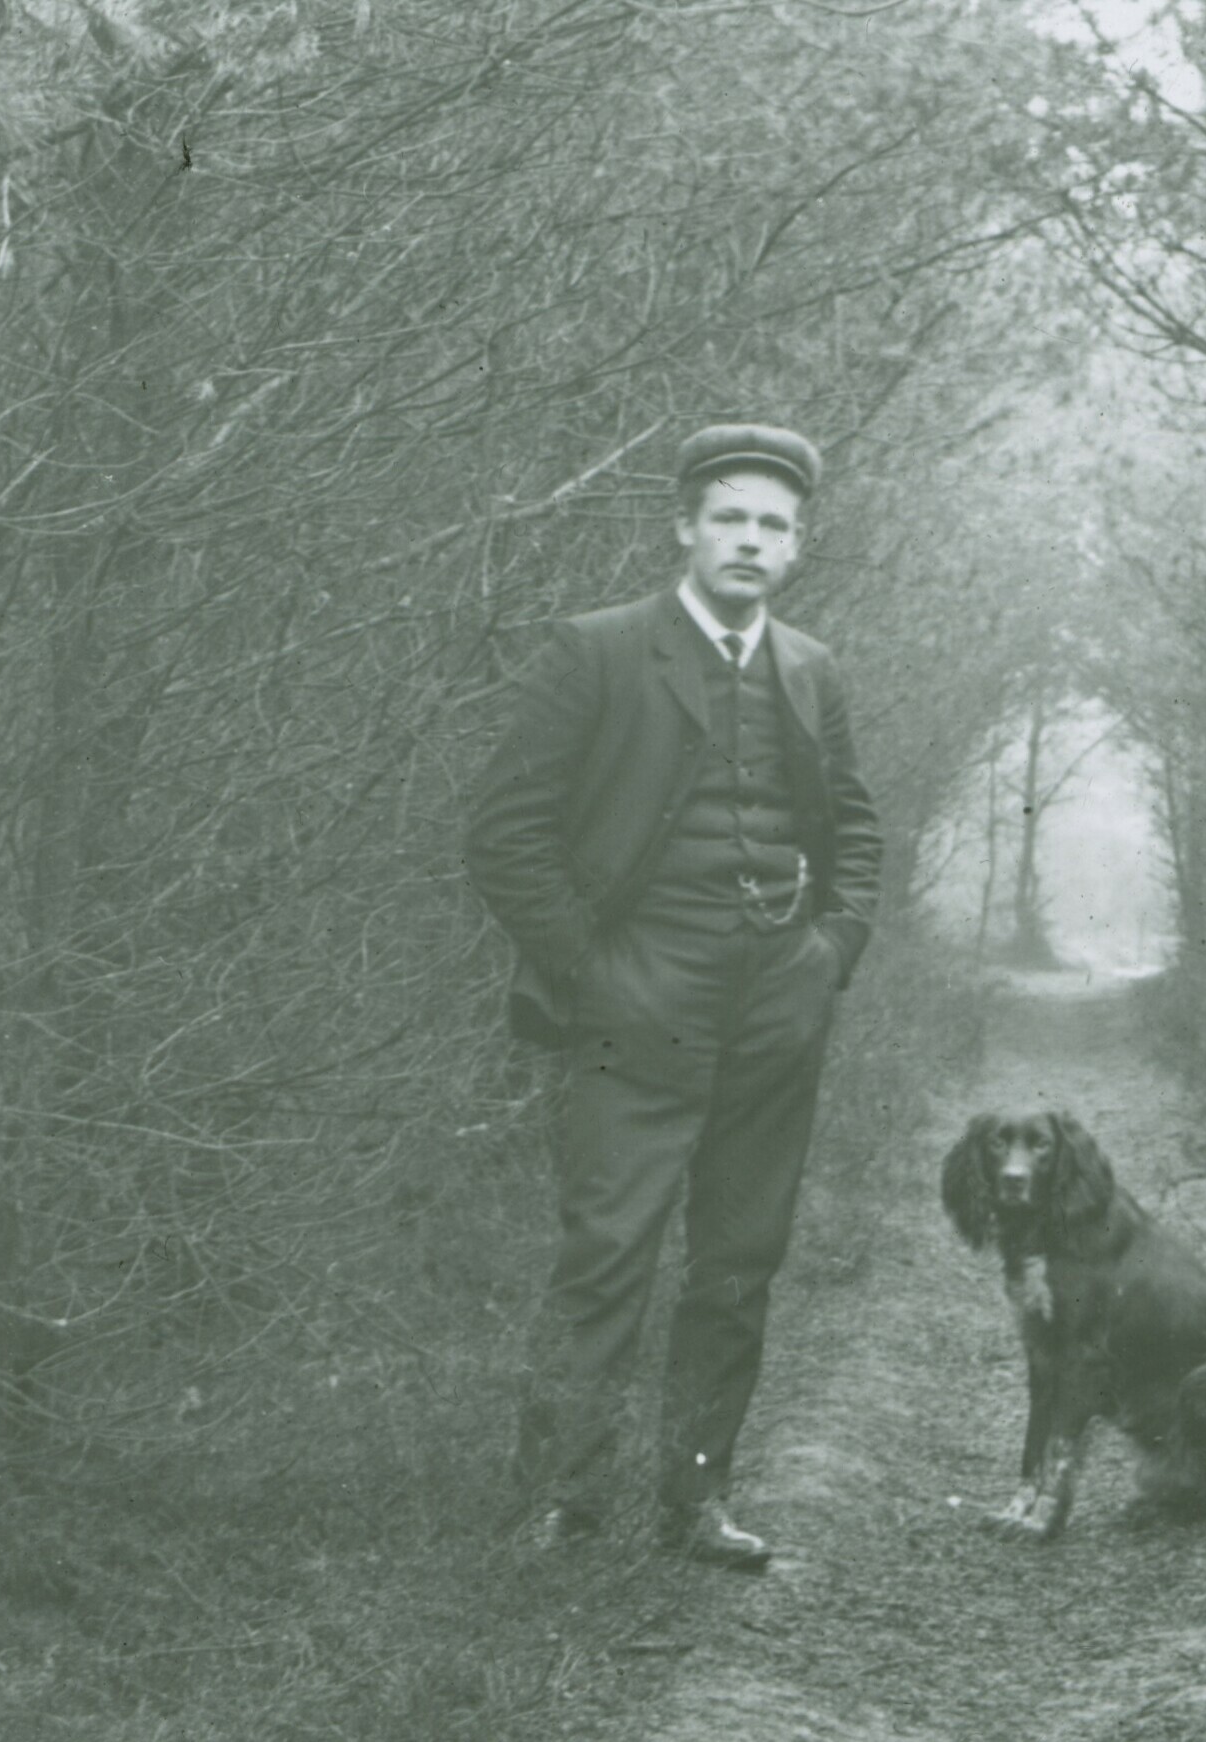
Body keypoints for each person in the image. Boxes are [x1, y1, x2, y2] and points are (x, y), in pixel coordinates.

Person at [464, 423, 882, 1568]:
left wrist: (828, 951)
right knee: (605, 1254)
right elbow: (505, 835)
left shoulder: (809, 666)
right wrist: (592, 972)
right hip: (632, 996)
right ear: (685, 528)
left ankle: (694, 1503)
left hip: (772, 1002)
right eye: (731, 518)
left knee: (739, 1258)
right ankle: (556, 1503)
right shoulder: (595, 651)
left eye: (774, 525)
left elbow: (849, 824)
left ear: (796, 546)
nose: (751, 540)